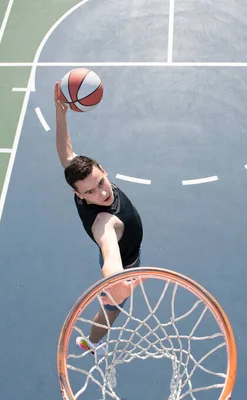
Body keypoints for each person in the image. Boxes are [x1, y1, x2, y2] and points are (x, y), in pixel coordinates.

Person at [53, 82, 144, 360]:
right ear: (77, 194)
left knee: (113, 302)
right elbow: (110, 255)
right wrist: (117, 281)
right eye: (90, 192)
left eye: (101, 182)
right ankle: (92, 343)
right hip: (127, 264)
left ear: (102, 169)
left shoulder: (82, 176)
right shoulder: (104, 222)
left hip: (123, 263)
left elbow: (65, 151)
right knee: (113, 308)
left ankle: (108, 304)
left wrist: (61, 112)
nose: (102, 193)